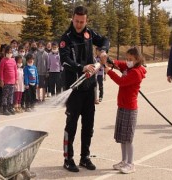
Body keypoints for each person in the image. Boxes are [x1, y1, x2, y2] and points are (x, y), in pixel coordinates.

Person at [60, 6, 109, 172]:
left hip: (89, 88)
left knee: (88, 125)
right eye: (76, 21)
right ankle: (68, 158)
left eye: (82, 21)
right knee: (71, 125)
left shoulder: (89, 34)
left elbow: (105, 40)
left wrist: (103, 51)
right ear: (72, 18)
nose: (79, 24)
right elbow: (64, 60)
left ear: (86, 20)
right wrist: (81, 67)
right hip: (74, 89)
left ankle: (85, 157)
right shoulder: (66, 38)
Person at [101, 46, 146, 174]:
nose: (127, 61)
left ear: (137, 59)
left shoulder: (136, 73)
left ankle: (131, 164)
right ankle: (124, 160)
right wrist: (110, 60)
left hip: (130, 108)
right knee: (122, 136)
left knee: (128, 138)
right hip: (122, 105)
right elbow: (120, 64)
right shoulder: (128, 67)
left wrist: (109, 71)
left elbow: (121, 81)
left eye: (130, 59)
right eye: (127, 58)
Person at [0, 45, 18, 115]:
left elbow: (15, 71)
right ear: (5, 53)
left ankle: (10, 107)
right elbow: (1, 71)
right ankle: (5, 108)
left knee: (11, 95)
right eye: (8, 52)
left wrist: (16, 79)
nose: (9, 54)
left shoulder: (13, 61)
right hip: (6, 82)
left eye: (10, 52)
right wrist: (1, 80)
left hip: (12, 82)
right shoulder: (3, 61)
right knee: (5, 95)